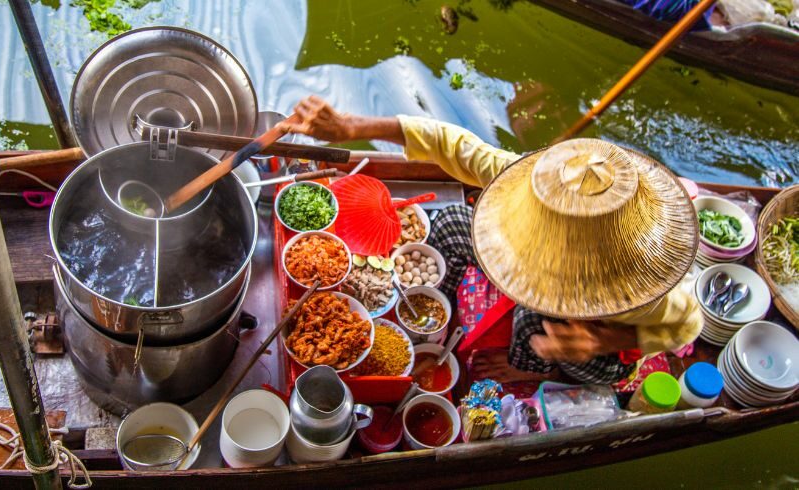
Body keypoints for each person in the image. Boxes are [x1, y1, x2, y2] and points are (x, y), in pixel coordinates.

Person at [280, 96, 703, 385]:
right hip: (554, 283)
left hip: (589, 332)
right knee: (450, 221)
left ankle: (529, 369)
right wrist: (351, 126)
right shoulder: (539, 184)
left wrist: (604, 340)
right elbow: (458, 146)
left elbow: (688, 323)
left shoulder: (643, 282)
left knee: (534, 325)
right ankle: (436, 315)